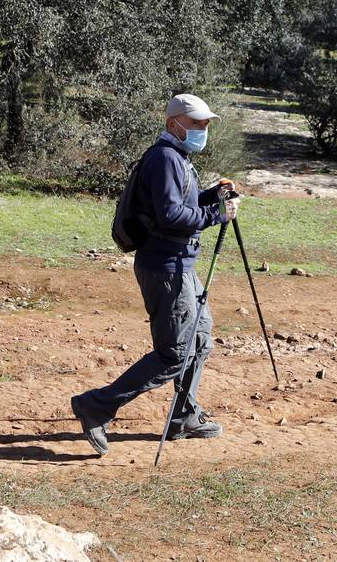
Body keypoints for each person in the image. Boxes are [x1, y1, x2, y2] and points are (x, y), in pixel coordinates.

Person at [70, 93, 240, 456]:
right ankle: (97, 405)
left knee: (200, 339)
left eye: (206, 124)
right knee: (174, 352)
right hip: (167, 269)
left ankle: (184, 416)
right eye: (196, 124)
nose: (203, 130)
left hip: (180, 266)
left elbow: (180, 205)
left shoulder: (177, 157)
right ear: (173, 124)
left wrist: (213, 196)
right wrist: (217, 216)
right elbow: (171, 216)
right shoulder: (165, 158)